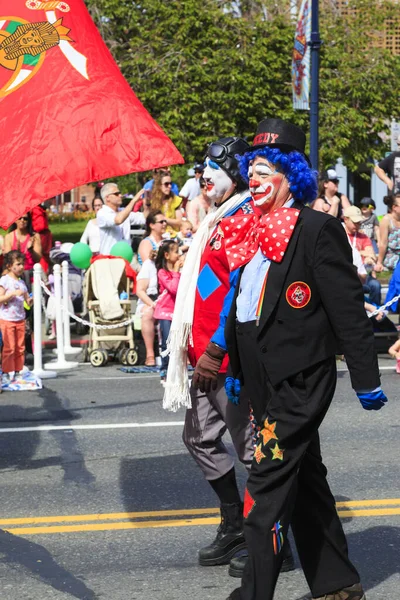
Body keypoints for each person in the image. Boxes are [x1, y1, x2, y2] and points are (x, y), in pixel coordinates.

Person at [211, 118, 388, 600]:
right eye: (252, 170)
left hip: (300, 381)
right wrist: (233, 364)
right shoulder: (248, 229)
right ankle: (338, 584)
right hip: (262, 378)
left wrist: (365, 377)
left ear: (291, 176)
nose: (255, 180)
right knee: (305, 481)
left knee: (264, 490)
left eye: (266, 171)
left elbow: (347, 308)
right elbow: (243, 302)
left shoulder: (317, 229)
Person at [164, 136, 295, 577]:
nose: (203, 175)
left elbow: (239, 288)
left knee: (254, 451)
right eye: (202, 167)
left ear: (236, 174)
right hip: (201, 350)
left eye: (213, 168)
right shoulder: (218, 217)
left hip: (226, 356)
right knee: (198, 438)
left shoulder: (242, 218)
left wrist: (218, 348)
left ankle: (275, 540)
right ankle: (235, 524)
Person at [0, 251, 33, 387]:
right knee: (9, 347)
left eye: (22, 264)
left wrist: (31, 300)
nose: (21, 267)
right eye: (18, 264)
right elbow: (1, 298)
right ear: (9, 266)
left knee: (20, 347)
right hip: (7, 319)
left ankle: (18, 370)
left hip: (20, 319)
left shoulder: (22, 283)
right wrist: (11, 294)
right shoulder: (4, 281)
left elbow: (27, 300)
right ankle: (7, 372)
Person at [154, 240, 184, 383]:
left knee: (178, 343)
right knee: (166, 342)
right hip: (165, 312)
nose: (179, 254)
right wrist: (177, 272)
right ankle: (164, 371)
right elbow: (174, 289)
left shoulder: (179, 272)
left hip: (177, 313)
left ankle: (176, 371)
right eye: (176, 251)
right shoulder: (162, 272)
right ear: (166, 255)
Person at [343, 205, 381, 306]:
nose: (357, 225)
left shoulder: (363, 236)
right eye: (355, 222)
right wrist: (362, 253)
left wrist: (369, 256)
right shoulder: (340, 234)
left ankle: (375, 312)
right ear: (345, 219)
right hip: (345, 274)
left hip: (363, 272)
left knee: (375, 285)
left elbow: (372, 255)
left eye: (359, 223)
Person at [97, 183, 147, 255]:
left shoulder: (123, 211)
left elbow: (144, 217)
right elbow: (118, 220)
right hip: (108, 261)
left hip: (125, 259)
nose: (120, 195)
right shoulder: (102, 213)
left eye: (120, 193)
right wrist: (134, 200)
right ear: (107, 197)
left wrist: (147, 202)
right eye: (116, 194)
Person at [3, 214, 42, 292]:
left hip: (31, 275)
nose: (22, 220)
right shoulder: (9, 236)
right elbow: (8, 259)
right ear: (15, 220)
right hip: (14, 277)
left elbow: (38, 259)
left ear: (29, 221)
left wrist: (31, 250)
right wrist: (16, 252)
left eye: (25, 219)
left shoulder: (34, 236)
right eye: (20, 218)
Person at [136, 251, 158, 366]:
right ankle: (150, 354)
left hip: (169, 301)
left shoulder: (176, 264)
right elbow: (140, 291)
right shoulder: (149, 265)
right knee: (148, 313)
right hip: (150, 301)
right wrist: (153, 304)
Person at [149, 171, 183, 237]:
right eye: (166, 184)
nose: (169, 186)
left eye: (171, 183)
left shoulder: (176, 200)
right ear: (158, 185)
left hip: (173, 236)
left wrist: (163, 219)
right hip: (157, 236)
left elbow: (179, 222)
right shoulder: (152, 201)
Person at [375, 193, 400, 272]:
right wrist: (379, 262)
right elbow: (383, 243)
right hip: (392, 257)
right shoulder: (386, 220)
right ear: (394, 207)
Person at [30, 203, 53, 274]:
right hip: (45, 235)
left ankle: (43, 274)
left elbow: (41, 225)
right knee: (45, 257)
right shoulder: (39, 209)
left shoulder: (36, 209)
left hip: (41, 235)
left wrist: (32, 230)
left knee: (42, 257)